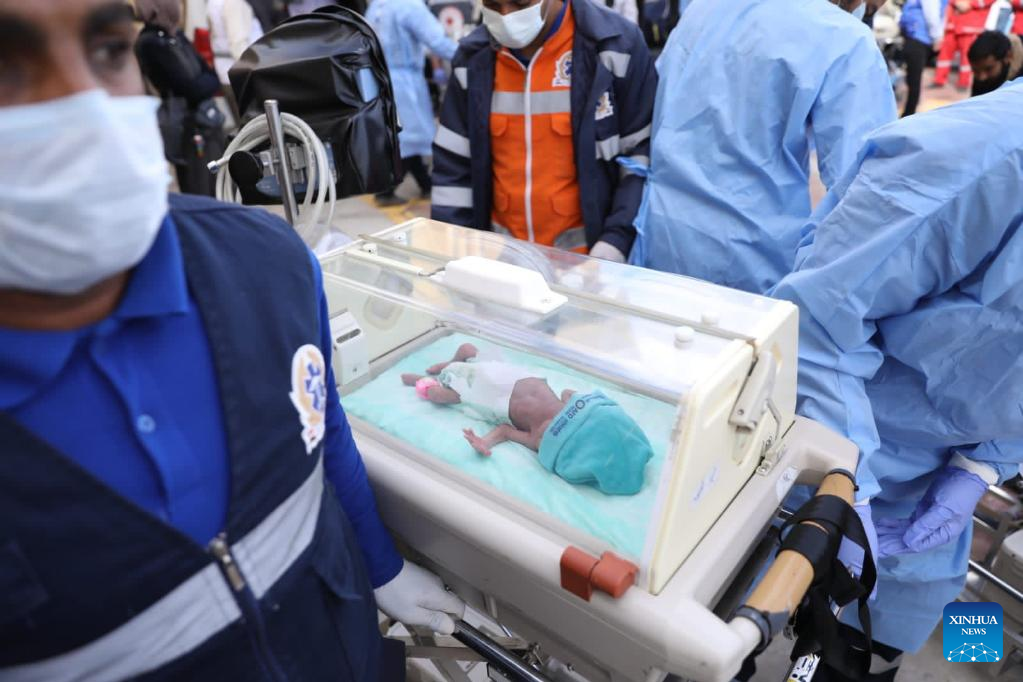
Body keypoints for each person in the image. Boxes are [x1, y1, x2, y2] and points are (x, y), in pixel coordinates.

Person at [0, 1, 463, 678]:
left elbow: (323, 430)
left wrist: (380, 566)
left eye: (108, 50)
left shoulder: (267, 266)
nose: (84, 103)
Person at [770, 82, 1023, 681]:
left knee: (884, 634)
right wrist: (846, 481)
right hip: (836, 434)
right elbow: (820, 322)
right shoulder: (979, 157)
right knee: (754, 607)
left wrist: (985, 466)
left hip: (943, 463)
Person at [630, 0, 896, 295]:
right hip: (747, 265)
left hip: (660, 238)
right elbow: (864, 196)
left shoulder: (702, 9)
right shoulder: (844, 39)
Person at [431, 0, 657, 261]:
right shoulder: (472, 60)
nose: (506, 16)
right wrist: (454, 254)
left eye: (520, 3)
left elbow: (641, 156)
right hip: (503, 267)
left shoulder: (617, 48)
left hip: (589, 268)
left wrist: (615, 243)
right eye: (493, 5)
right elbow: (453, 168)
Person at [400, 343, 654, 495]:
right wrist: (575, 401)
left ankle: (422, 383)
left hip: (491, 398)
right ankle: (451, 363)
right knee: (470, 353)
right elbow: (569, 393)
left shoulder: (539, 440)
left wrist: (484, 442)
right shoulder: (570, 408)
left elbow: (505, 430)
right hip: (510, 376)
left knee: (443, 395)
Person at [367, 0, 457, 205]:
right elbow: (437, 40)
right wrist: (470, 55)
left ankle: (426, 184)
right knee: (409, 138)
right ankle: (387, 190)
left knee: (406, 138)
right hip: (404, 84)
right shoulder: (409, 5)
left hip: (380, 80)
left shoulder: (377, 6)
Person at [135, 0, 226, 196]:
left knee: (220, 181)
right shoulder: (150, 42)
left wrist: (203, 83)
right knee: (200, 186)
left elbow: (211, 76)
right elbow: (189, 88)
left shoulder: (176, 35)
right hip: (185, 126)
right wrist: (203, 83)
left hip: (206, 120)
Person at [899, 0, 948, 116]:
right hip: (919, 39)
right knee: (914, 82)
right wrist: (937, 37)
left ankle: (909, 113)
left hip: (914, 37)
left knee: (913, 80)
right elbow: (932, 15)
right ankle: (908, 114)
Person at [933, 0, 995, 89]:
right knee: (944, 55)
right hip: (952, 24)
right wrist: (956, 2)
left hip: (971, 25)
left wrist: (971, 4)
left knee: (967, 57)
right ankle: (939, 80)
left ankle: (963, 83)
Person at [207, 0, 264, 85]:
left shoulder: (214, 2)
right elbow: (238, 46)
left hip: (228, 69)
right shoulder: (233, 2)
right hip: (242, 74)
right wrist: (257, 73)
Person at [968, 29, 1023, 94]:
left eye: (988, 69)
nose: (981, 77)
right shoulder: (982, 65)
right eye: (975, 71)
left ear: (1008, 56)